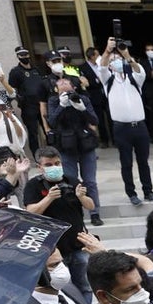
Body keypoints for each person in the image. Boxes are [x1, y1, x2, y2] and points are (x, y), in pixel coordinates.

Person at [24, 146, 96, 297]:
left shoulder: (72, 180)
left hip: (77, 243)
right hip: (53, 249)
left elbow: (91, 205)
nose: (54, 167)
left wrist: (82, 197)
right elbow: (31, 212)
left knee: (85, 286)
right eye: (48, 165)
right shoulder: (33, 185)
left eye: (57, 163)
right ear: (40, 167)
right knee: (62, 289)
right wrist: (48, 198)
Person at [98, 37, 153, 207]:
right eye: (113, 61)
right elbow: (102, 66)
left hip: (139, 126)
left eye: (119, 60)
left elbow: (140, 71)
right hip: (121, 128)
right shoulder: (107, 81)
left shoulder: (134, 79)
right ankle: (131, 192)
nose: (117, 62)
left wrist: (127, 55)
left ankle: (148, 190)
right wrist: (108, 51)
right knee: (126, 162)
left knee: (143, 161)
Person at [45, 76, 102, 228]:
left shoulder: (82, 98)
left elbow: (94, 120)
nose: (62, 83)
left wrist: (82, 108)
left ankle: (94, 212)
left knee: (89, 181)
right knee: (70, 180)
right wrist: (61, 106)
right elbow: (51, 122)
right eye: (60, 82)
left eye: (66, 82)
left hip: (85, 144)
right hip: (65, 145)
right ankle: (75, 212)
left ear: (73, 86)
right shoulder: (53, 100)